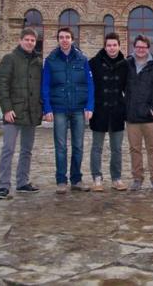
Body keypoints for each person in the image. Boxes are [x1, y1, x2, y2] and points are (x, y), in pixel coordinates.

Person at [42, 27, 94, 194]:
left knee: (78, 146)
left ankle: (76, 179)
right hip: (59, 109)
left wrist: (90, 106)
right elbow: (45, 86)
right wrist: (47, 108)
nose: (64, 40)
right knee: (61, 146)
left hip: (79, 109)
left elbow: (90, 85)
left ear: (72, 40)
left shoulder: (82, 59)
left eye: (67, 37)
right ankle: (61, 181)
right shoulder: (50, 60)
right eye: (61, 37)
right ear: (58, 40)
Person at [0, 28, 42, 199]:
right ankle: (3, 185)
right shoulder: (10, 59)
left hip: (30, 112)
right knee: (8, 149)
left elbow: (40, 88)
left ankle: (22, 182)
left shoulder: (38, 62)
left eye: (33, 40)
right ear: (20, 40)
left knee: (26, 150)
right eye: (27, 39)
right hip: (13, 113)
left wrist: (40, 107)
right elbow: (1, 84)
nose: (30, 42)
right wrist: (6, 108)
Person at [89, 32, 128, 191]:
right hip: (99, 110)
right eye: (109, 45)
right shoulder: (94, 63)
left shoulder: (125, 64)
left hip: (117, 110)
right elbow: (89, 87)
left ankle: (116, 178)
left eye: (114, 45)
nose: (112, 48)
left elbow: (128, 88)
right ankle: (97, 178)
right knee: (97, 146)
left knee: (117, 148)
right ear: (105, 47)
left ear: (119, 46)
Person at [125, 34, 153, 191]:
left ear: (148, 48)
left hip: (150, 117)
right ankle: (137, 178)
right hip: (132, 116)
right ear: (134, 47)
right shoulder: (127, 64)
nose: (141, 49)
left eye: (143, 47)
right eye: (138, 47)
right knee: (134, 149)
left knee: (152, 149)